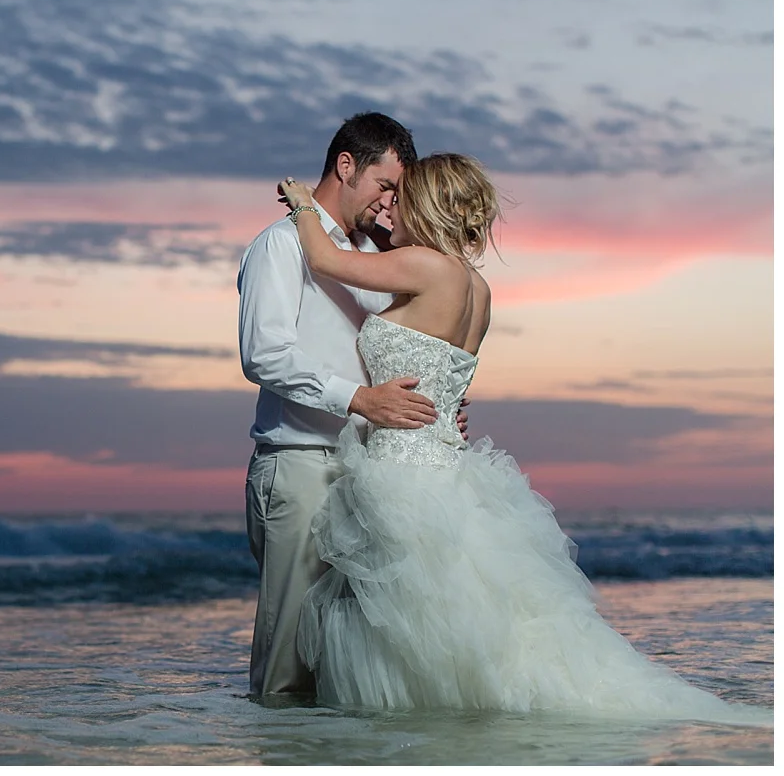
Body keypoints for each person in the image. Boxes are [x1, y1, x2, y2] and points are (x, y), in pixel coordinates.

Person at [275, 155, 770, 725]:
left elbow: (325, 259)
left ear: (426, 205)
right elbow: (440, 370)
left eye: (400, 198)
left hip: (402, 474)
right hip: (445, 467)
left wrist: (304, 203)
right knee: (455, 612)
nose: (389, 208)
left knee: (413, 619)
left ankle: (408, 734)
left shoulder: (424, 266)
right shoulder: (477, 289)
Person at [237, 112, 467, 699]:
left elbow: (398, 348)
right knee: (289, 663)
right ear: (346, 166)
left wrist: (431, 407)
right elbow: (264, 355)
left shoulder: (374, 255)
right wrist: (362, 400)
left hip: (369, 477)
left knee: (344, 665)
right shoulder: (282, 245)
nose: (390, 203)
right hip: (303, 465)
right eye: (385, 185)